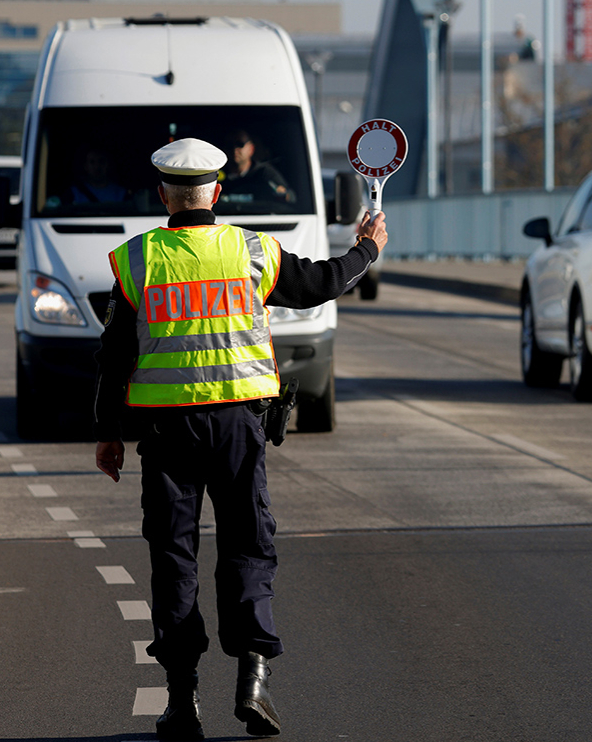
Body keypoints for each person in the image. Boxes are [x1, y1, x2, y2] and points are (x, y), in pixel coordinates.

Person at [92, 138, 386, 740]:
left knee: (173, 558)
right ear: (218, 193)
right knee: (247, 545)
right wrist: (367, 249)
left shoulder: (135, 261)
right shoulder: (252, 252)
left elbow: (114, 356)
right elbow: (322, 284)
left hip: (168, 432)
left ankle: (180, 703)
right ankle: (253, 679)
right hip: (238, 429)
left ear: (162, 195)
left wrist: (108, 433)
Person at [225, 129, 296, 204]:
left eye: (240, 144)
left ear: (251, 148)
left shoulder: (264, 172)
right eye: (229, 145)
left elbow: (291, 197)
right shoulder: (217, 175)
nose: (235, 149)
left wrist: (282, 194)